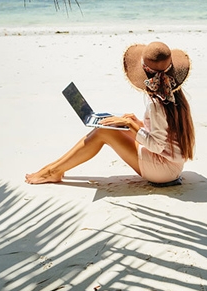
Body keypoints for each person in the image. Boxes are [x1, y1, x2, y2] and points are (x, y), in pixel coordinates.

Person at [25, 42, 196, 185]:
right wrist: (137, 123)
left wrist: (131, 126)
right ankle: (54, 168)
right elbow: (165, 133)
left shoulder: (156, 104)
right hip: (172, 163)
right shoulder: (175, 96)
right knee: (108, 126)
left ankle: (53, 171)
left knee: (103, 131)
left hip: (163, 170)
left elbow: (157, 146)